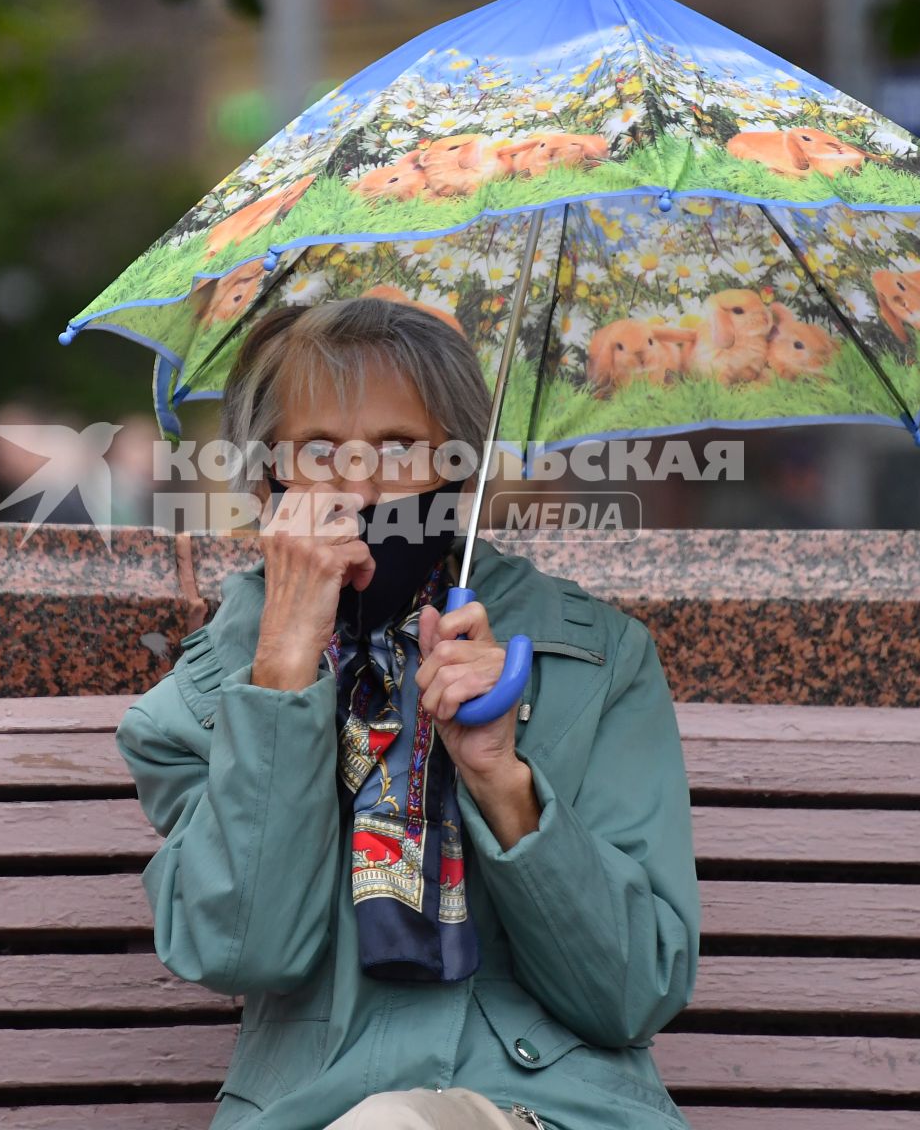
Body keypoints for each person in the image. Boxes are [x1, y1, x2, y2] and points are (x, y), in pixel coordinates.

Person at [114, 297, 702, 1129]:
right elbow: (240, 949)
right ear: (263, 482)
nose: (359, 485)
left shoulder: (595, 662)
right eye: (320, 451)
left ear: (460, 473)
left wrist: (502, 780)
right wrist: (281, 674)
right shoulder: (195, 707)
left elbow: (634, 990)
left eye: (400, 449)